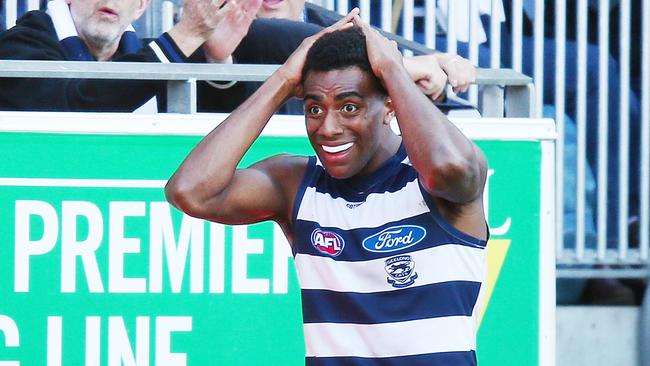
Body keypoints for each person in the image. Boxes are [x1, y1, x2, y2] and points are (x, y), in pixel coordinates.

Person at [166, 10, 488, 365]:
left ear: (390, 105)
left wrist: (394, 69)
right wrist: (285, 79)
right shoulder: (296, 184)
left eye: (349, 107)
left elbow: (450, 168)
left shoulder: (435, 179)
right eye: (314, 108)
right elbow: (190, 191)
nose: (328, 127)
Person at [0, 0, 262, 112]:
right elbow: (80, 105)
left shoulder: (149, 56)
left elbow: (215, 135)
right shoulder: (20, 45)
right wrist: (188, 34)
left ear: (140, 7)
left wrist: (217, 60)